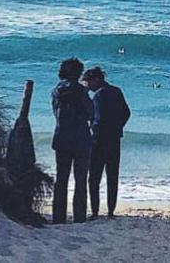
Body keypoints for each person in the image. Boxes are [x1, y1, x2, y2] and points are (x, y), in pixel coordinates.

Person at [82, 65, 130, 217]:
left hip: (99, 140)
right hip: (115, 138)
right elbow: (126, 112)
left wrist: (92, 131)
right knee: (112, 176)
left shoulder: (98, 96)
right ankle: (110, 211)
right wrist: (118, 127)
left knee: (94, 177)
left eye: (88, 82)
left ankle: (95, 211)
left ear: (96, 80)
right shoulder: (116, 91)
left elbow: (98, 119)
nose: (86, 85)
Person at [50, 57, 94, 223]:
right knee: (80, 179)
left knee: (61, 179)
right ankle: (79, 216)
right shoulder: (82, 92)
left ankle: (58, 217)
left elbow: (56, 113)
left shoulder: (57, 91)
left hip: (62, 137)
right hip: (82, 138)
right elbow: (91, 113)